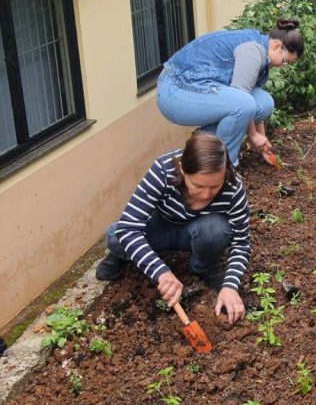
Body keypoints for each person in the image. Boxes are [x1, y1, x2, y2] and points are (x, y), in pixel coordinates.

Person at [95, 132, 250, 325]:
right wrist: (160, 271)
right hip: (160, 227)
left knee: (217, 229)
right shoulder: (163, 170)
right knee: (116, 237)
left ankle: (204, 265)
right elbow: (128, 227)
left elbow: (241, 243)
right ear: (183, 170)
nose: (206, 195)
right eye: (198, 186)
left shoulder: (233, 187)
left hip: (199, 232)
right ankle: (121, 257)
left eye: (214, 187)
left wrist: (230, 285)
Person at [156, 20, 303, 167]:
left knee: (264, 104)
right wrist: (253, 135)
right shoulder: (253, 51)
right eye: (286, 61)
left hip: (196, 84)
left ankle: (204, 141)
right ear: (277, 46)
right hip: (175, 90)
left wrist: (263, 144)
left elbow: (250, 103)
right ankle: (224, 167)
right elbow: (243, 101)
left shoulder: (261, 49)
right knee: (243, 105)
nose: (283, 66)